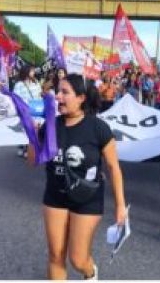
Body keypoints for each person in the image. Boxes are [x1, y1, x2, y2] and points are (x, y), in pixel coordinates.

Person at [29, 73, 126, 280]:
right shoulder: (50, 125)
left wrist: (119, 206)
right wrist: (32, 136)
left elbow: (113, 167)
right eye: (58, 92)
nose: (58, 97)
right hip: (55, 197)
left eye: (65, 92)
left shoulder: (98, 128)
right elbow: (33, 160)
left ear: (81, 98)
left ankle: (90, 273)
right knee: (55, 256)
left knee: (78, 259)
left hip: (87, 198)